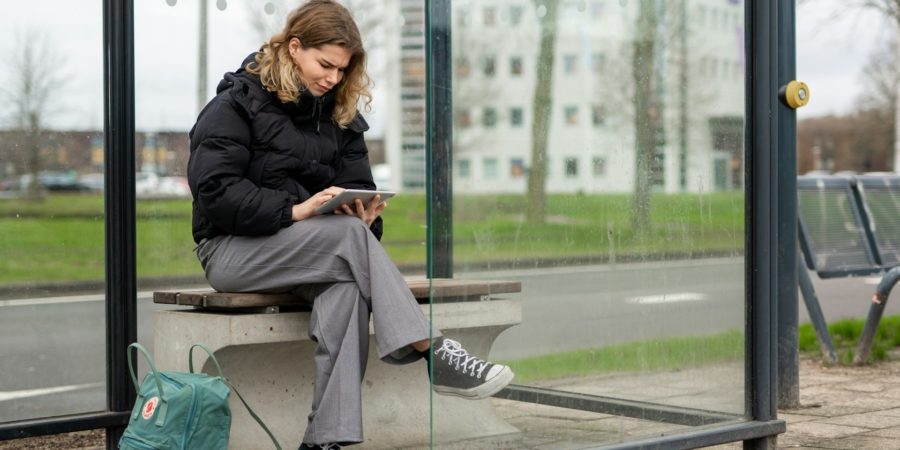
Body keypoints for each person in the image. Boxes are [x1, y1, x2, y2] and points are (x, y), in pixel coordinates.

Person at [186, 1, 514, 448]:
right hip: (232, 249)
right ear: (293, 48)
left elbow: (356, 193)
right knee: (346, 242)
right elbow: (216, 194)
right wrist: (295, 211)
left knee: (345, 291)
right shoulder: (234, 105)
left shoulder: (340, 116)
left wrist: (363, 216)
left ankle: (324, 441)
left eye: (342, 70)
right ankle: (433, 351)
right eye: (325, 65)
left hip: (314, 250)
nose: (333, 79)